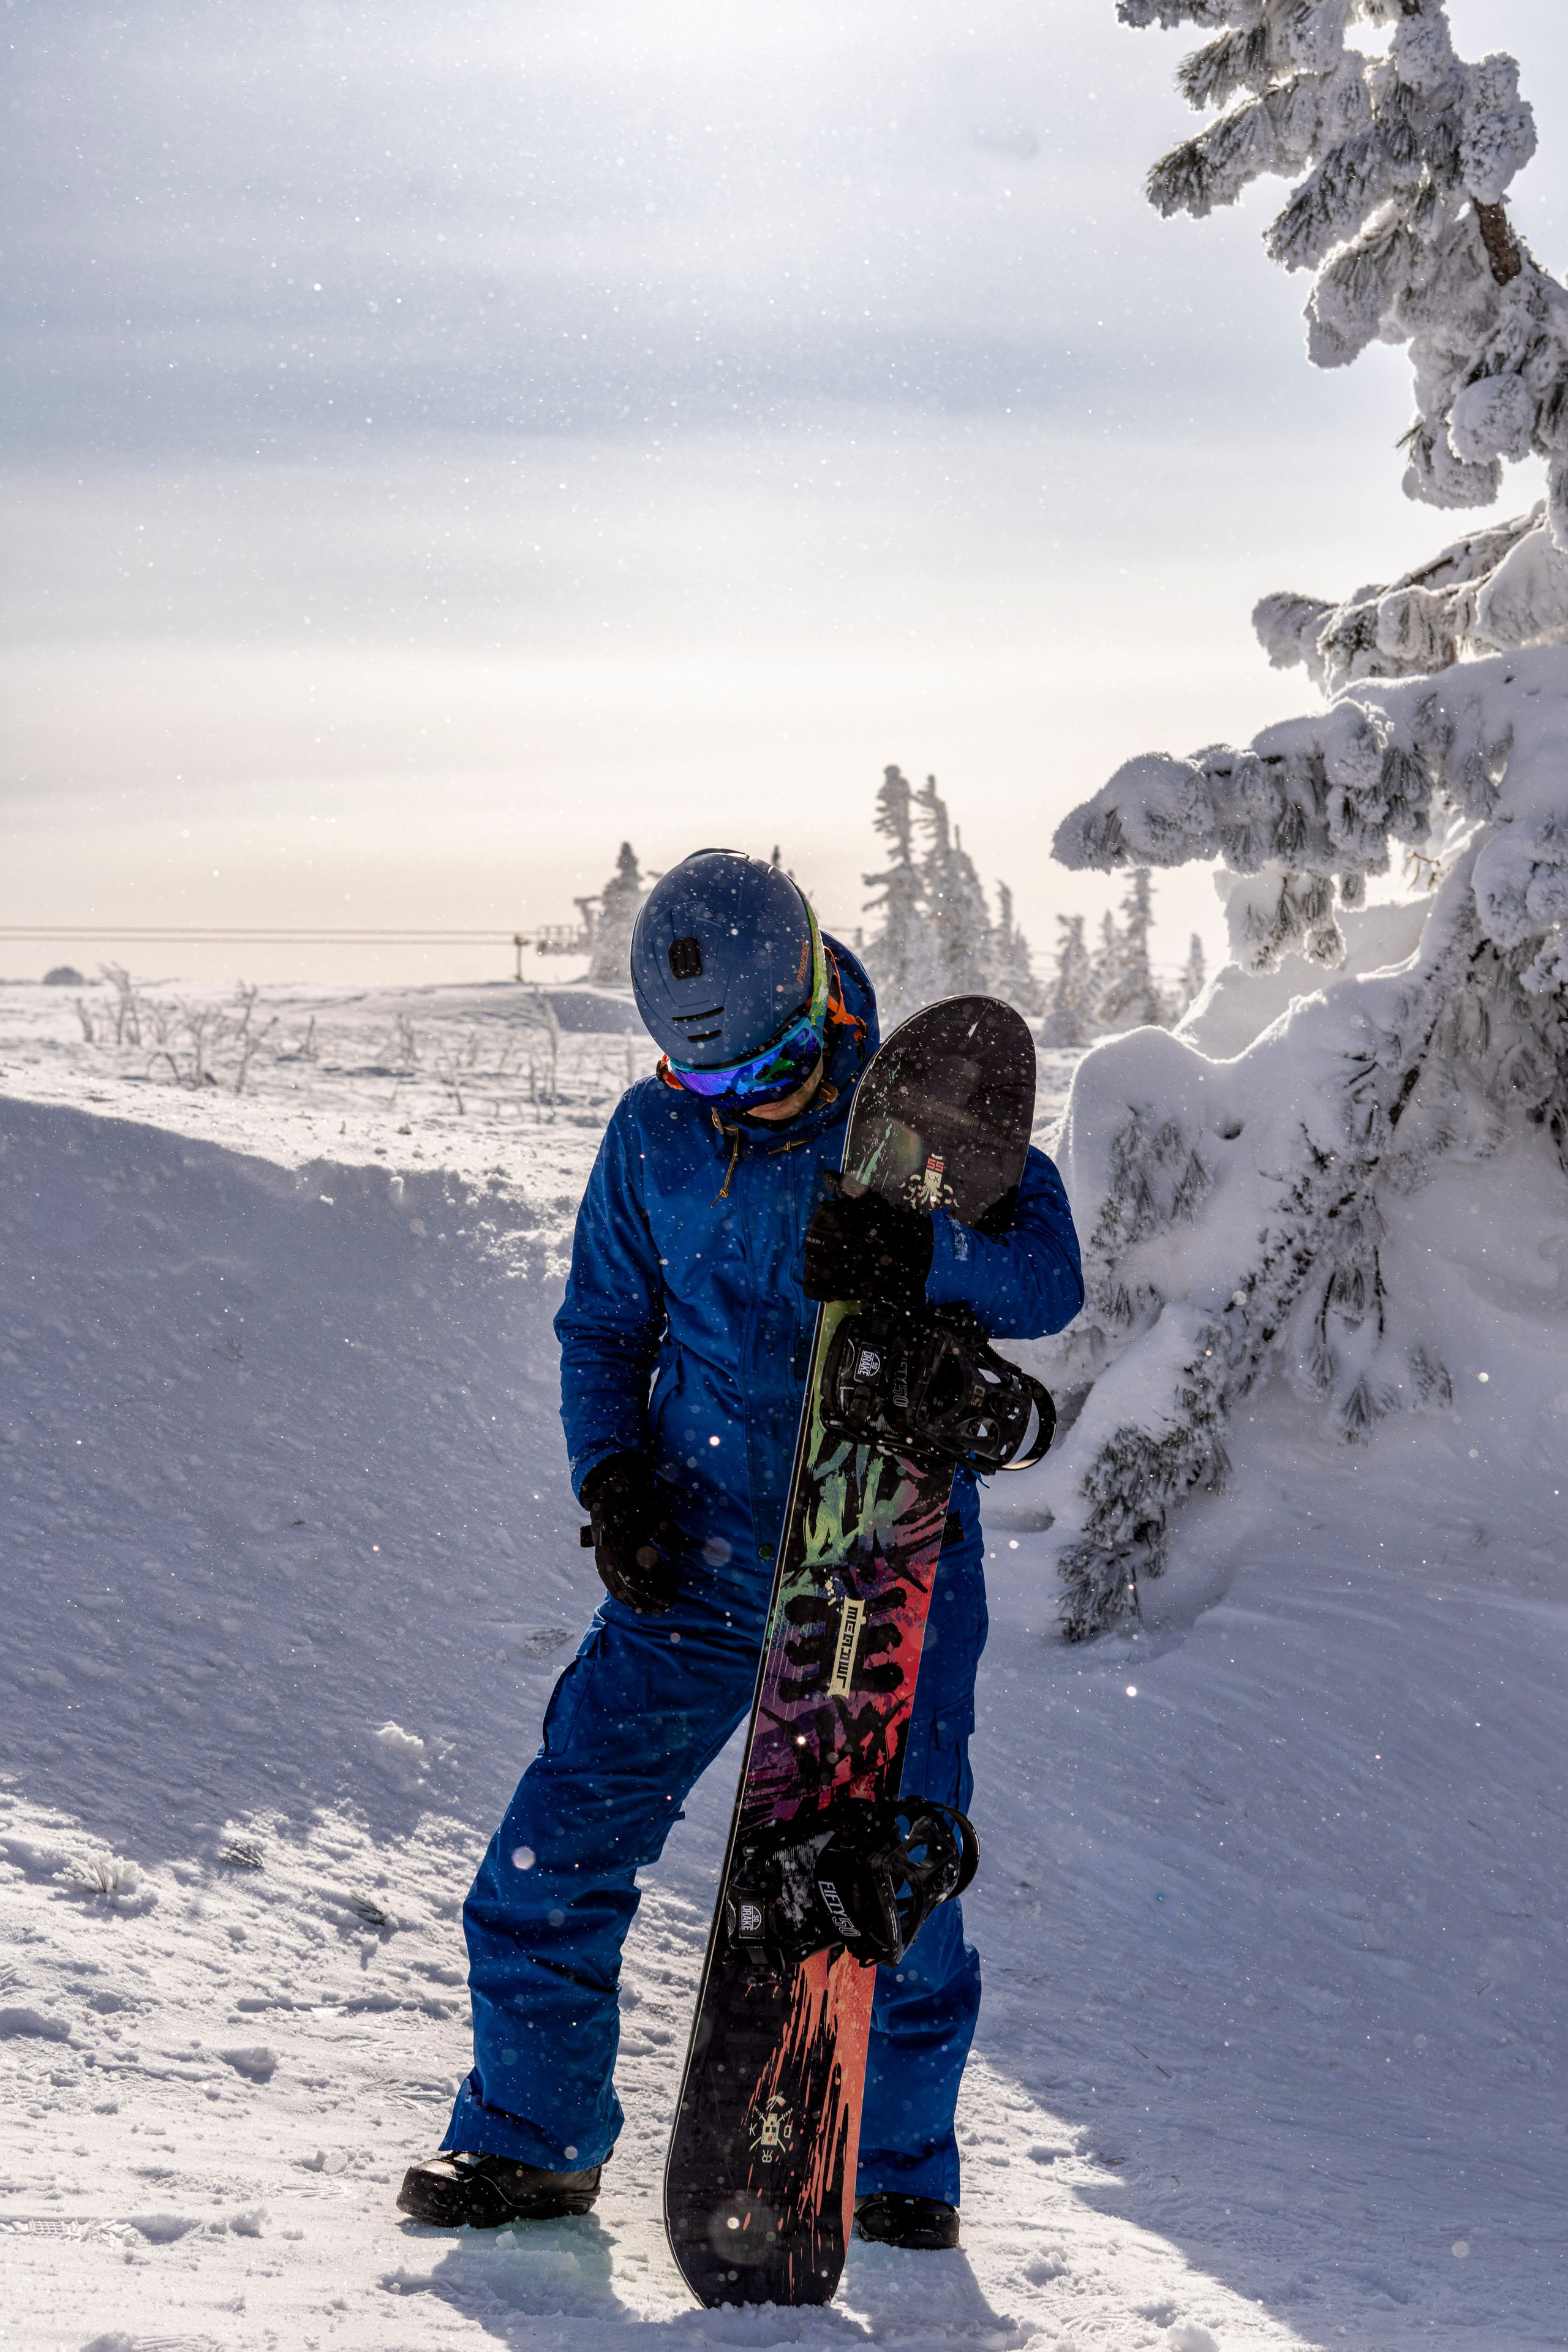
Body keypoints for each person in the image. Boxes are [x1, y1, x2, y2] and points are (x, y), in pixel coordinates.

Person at [398, 849, 1082, 2248]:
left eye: (764, 1067)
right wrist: (612, 1484)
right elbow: (603, 1328)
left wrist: (923, 1258)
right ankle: (529, 2143)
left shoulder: (918, 1109)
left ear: (818, 995)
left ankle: (896, 2166)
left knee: (890, 1876)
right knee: (552, 1849)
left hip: (886, 1568)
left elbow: (1048, 1275)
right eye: (703, 1078)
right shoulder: (651, 1137)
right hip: (700, 1564)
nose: (740, 1099)